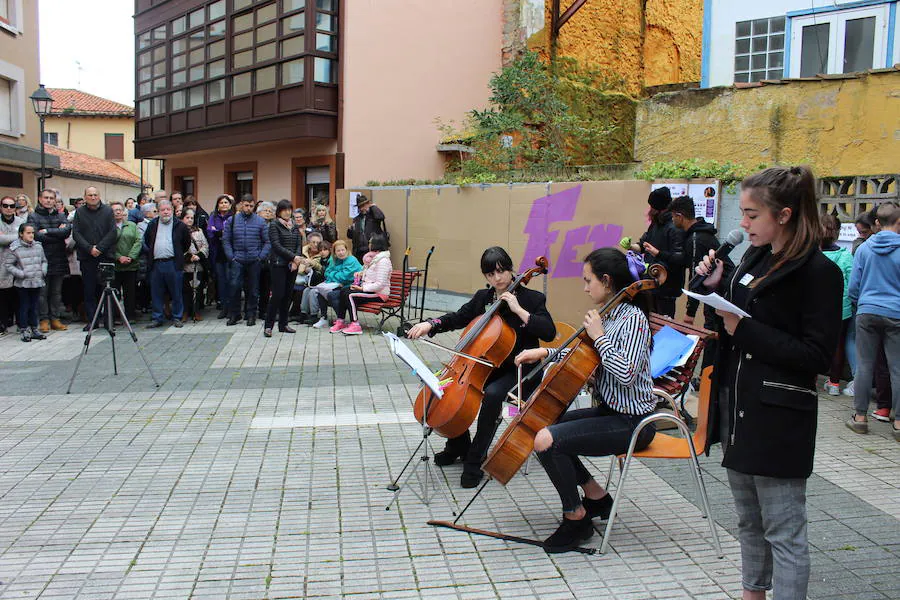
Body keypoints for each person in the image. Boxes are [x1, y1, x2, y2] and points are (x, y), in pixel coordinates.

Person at [696, 166, 842, 600]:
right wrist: (714, 290)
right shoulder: (753, 258)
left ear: (784, 214)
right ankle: (752, 593)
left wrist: (744, 329)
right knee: (748, 521)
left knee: (784, 529)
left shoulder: (818, 272)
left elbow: (816, 356)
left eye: (750, 214)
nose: (742, 223)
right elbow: (727, 325)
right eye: (742, 213)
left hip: (779, 418)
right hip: (738, 408)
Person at [515, 247, 656, 552]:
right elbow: (585, 357)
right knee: (544, 426)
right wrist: (547, 353)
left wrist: (600, 336)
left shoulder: (632, 319)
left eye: (588, 280)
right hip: (610, 412)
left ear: (606, 281)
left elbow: (627, 374)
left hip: (633, 423)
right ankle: (596, 497)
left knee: (547, 440)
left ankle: (576, 519)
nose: (585, 287)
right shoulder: (610, 314)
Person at [406, 246, 556, 488]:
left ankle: (475, 459)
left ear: (510, 269)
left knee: (494, 395)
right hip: (486, 367)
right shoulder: (484, 298)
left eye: (501, 271)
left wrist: (519, 310)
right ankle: (458, 445)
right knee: (449, 390)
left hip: (521, 370)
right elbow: (457, 317)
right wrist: (430, 324)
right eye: (490, 274)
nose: (497, 279)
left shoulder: (531, 299)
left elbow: (550, 333)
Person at [846, 205, 899, 441]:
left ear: (877, 222)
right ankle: (898, 422)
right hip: (896, 313)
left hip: (866, 311)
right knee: (897, 368)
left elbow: (853, 287)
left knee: (865, 365)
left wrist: (862, 304)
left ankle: (860, 418)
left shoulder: (865, 248)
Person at [668, 194, 730, 368]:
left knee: (712, 335)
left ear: (679, 216)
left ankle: (707, 378)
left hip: (720, 295)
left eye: (673, 216)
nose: (672, 220)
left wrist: (690, 312)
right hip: (715, 294)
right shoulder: (698, 235)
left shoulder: (696, 239)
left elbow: (697, 277)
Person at [630, 187, 684, 317]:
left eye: (652, 206)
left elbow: (679, 259)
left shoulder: (674, 227)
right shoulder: (655, 224)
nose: (649, 210)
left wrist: (658, 254)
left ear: (659, 208)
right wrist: (631, 246)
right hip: (650, 285)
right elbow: (643, 245)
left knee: (664, 325)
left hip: (667, 289)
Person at [72, 186, 116, 330]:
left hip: (105, 257)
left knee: (106, 289)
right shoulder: (79, 212)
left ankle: (109, 321)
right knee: (89, 291)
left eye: (95, 194)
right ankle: (93, 321)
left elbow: (112, 232)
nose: (92, 197)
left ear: (99, 196)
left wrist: (100, 248)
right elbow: (76, 234)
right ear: (85, 197)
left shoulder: (108, 211)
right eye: (90, 195)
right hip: (87, 257)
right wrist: (89, 248)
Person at [819, 214, 854, 396]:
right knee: (838, 345)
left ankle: (809, 379)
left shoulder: (812, 255)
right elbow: (852, 282)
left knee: (814, 341)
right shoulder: (845, 255)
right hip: (842, 308)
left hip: (816, 307)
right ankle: (834, 384)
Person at [28, 188, 71, 332]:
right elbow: (35, 235)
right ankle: (44, 319)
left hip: (59, 257)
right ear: (40, 199)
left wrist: (46, 231)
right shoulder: (33, 216)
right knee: (42, 292)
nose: (49, 200)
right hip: (42, 258)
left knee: (57, 292)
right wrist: (56, 234)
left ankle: (55, 318)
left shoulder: (60, 215)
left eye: (51, 198)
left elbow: (66, 231)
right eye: (46, 198)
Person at [143, 200, 191, 328]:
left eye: (168, 209)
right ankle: (157, 317)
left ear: (172, 210)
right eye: (162, 209)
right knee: (156, 292)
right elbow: (148, 241)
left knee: (176, 292)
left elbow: (186, 243)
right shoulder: (153, 224)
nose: (165, 212)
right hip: (157, 264)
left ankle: (177, 317)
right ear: (158, 211)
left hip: (173, 263)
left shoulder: (180, 225)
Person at [223, 194, 270, 327]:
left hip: (254, 260)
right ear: (241, 204)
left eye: (251, 206)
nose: (248, 208)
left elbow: (267, 242)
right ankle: (235, 314)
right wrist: (231, 256)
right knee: (234, 287)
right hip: (237, 259)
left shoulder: (260, 221)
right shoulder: (232, 220)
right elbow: (226, 240)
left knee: (253, 289)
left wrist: (260, 257)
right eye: (246, 205)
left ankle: (251, 315)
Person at [332, 233, 392, 335]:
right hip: (371, 290)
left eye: (370, 242)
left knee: (349, 295)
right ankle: (340, 321)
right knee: (344, 291)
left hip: (379, 294)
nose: (368, 244)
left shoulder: (383, 261)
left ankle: (355, 325)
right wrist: (361, 274)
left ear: (376, 244)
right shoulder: (374, 258)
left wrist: (362, 288)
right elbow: (372, 274)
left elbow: (380, 284)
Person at [264, 200, 303, 337]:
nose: (287, 212)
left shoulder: (294, 226)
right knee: (277, 295)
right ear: (279, 211)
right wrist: (293, 257)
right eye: (284, 209)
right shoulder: (274, 225)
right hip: (279, 264)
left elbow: (299, 243)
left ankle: (283, 324)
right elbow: (276, 245)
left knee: (287, 295)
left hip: (292, 265)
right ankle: (268, 326)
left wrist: (296, 259)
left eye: (289, 209)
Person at [5, 223, 47, 342]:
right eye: (28, 233)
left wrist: (43, 270)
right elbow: (8, 264)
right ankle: (24, 329)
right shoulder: (15, 248)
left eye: (32, 233)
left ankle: (34, 328)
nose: (31, 235)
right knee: (24, 306)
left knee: (34, 306)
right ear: (21, 234)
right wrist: (21, 274)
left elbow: (44, 260)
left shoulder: (38, 246)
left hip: (37, 280)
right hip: (23, 283)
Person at [310, 240, 361, 328]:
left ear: (346, 250)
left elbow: (344, 276)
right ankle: (324, 318)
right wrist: (336, 276)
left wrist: (334, 275)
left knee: (332, 295)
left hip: (352, 287)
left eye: (342, 250)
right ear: (334, 252)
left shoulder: (351, 260)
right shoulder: (334, 260)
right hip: (340, 286)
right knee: (320, 293)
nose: (341, 253)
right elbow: (327, 273)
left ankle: (341, 320)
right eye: (338, 251)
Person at [111, 201, 142, 322]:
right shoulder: (108, 227)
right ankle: (116, 316)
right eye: (115, 210)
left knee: (130, 293)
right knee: (115, 293)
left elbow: (138, 241)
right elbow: (108, 245)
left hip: (131, 265)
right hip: (116, 266)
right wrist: (119, 257)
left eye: (120, 209)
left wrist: (131, 256)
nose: (118, 212)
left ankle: (130, 315)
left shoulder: (132, 225)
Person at [206, 194, 234, 319]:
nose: (223, 204)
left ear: (230, 205)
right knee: (221, 282)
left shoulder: (234, 217)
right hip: (217, 254)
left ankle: (232, 307)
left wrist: (219, 232)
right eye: (221, 202)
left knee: (230, 281)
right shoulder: (213, 217)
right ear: (217, 205)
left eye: (226, 202)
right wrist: (220, 232)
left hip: (231, 254)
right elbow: (210, 233)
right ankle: (224, 307)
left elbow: (232, 234)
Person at [0, 197, 24, 333]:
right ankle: (3, 323)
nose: (8, 208)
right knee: (2, 295)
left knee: (17, 294)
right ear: (1, 207)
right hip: (1, 262)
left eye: (11, 206)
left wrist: (5, 237)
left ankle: (21, 323)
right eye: (5, 205)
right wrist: (16, 237)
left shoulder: (21, 222)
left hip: (18, 263)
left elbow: (25, 238)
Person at [181, 208, 209, 322]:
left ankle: (196, 311)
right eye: (187, 218)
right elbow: (177, 247)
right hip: (185, 266)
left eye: (191, 218)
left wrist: (199, 255)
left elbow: (205, 245)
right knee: (185, 290)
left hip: (198, 265)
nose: (189, 220)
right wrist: (188, 257)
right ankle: (185, 312)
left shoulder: (199, 231)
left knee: (197, 290)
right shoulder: (178, 231)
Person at [347, 194, 388, 263]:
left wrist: (373, 206)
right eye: (360, 207)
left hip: (372, 248)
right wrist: (350, 231)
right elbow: (351, 236)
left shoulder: (373, 216)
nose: (362, 208)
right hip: (359, 250)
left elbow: (381, 217)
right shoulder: (356, 219)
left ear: (368, 204)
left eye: (364, 205)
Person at [298, 240, 330, 325]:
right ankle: (304, 313)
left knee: (313, 292)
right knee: (306, 291)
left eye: (325, 250)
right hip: (318, 283)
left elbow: (325, 272)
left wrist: (315, 266)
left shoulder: (331, 260)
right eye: (320, 250)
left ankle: (314, 315)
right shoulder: (319, 259)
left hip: (327, 284)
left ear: (329, 250)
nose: (322, 252)